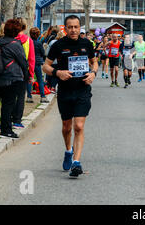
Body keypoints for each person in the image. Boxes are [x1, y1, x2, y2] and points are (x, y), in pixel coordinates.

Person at [42, 15, 98, 178]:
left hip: (82, 90)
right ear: (65, 28)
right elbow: (45, 66)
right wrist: (58, 72)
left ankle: (76, 162)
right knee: (67, 127)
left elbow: (94, 62)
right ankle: (68, 151)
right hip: (65, 91)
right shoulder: (58, 45)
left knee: (78, 126)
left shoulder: (87, 44)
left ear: (80, 28)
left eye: (76, 27)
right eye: (70, 27)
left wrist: (93, 73)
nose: (73, 30)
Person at [0, 19, 29, 138]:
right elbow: (23, 62)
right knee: (9, 104)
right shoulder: (15, 44)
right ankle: (6, 130)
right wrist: (26, 76)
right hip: (12, 77)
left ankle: (4, 128)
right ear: (16, 31)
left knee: (4, 103)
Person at [11, 18, 35, 129]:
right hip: (23, 71)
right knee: (21, 96)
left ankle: (9, 116)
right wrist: (31, 74)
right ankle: (17, 120)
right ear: (25, 27)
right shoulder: (28, 40)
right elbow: (31, 59)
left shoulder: (10, 39)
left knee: (10, 96)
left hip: (10, 70)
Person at [26, 27, 48, 104]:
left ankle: (29, 96)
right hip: (38, 63)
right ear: (38, 34)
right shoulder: (39, 43)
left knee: (29, 79)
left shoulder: (28, 42)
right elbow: (43, 53)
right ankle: (42, 96)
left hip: (29, 63)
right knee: (40, 80)